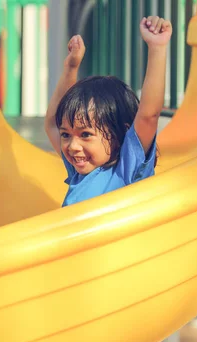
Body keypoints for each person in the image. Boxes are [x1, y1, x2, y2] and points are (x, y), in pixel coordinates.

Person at [44, 15, 172, 207]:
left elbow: (148, 116)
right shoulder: (80, 171)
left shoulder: (126, 170)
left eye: (85, 134)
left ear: (119, 134)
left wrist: (157, 48)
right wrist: (71, 67)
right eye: (66, 135)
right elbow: (53, 123)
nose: (72, 146)